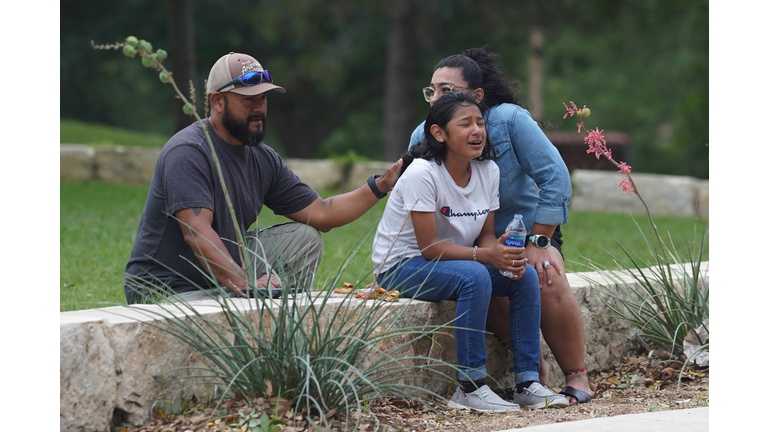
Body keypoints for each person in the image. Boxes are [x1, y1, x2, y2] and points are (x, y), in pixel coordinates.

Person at [124, 52, 402, 304]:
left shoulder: (261, 157)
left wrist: (380, 186)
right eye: (248, 100)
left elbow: (320, 213)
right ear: (217, 101)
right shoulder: (188, 151)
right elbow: (197, 234)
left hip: (222, 278)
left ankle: (277, 327)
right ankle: (252, 307)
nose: (259, 108)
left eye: (263, 98)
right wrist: (246, 285)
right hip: (167, 288)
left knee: (305, 237)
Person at [407, 48, 593, 404]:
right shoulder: (425, 133)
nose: (436, 99)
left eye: (446, 90)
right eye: (431, 90)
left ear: (477, 96)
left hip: (529, 230)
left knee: (543, 273)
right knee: (485, 283)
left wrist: (538, 243)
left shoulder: (509, 121)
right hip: (465, 240)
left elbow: (555, 179)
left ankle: (577, 375)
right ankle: (532, 370)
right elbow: (413, 201)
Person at [373, 92, 568, 412]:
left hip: (454, 261)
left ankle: (529, 383)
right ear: (439, 133)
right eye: (465, 124)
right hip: (401, 266)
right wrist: (486, 257)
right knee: (476, 276)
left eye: (480, 122)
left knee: (522, 275)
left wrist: (503, 253)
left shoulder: (487, 171)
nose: (477, 130)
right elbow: (429, 247)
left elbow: (486, 236)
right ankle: (471, 387)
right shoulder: (422, 173)